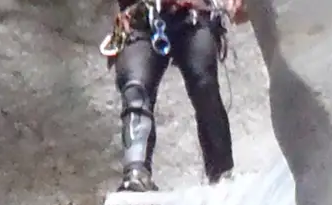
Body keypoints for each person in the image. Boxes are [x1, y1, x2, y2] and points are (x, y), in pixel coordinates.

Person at [102, 0, 246, 193]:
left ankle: (222, 172)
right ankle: (135, 172)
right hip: (140, 16)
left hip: (194, 15)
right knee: (135, 87)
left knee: (204, 83)